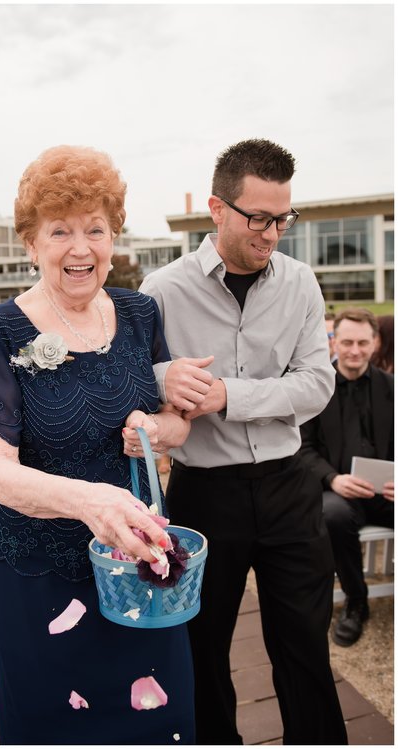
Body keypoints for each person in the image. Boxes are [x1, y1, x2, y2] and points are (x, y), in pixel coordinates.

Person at [0, 145, 194, 744]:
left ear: (114, 237)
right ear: (31, 245)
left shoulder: (142, 314)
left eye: (97, 229)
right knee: (57, 723)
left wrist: (156, 432)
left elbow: (177, 424)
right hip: (38, 566)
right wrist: (91, 503)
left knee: (156, 715)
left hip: (136, 558)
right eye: (60, 231)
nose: (81, 247)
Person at [140, 138, 346, 744]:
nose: (272, 232)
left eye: (283, 217)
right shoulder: (162, 290)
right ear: (217, 209)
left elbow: (316, 385)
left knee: (305, 649)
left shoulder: (302, 283)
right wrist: (163, 378)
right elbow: (137, 376)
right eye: (259, 217)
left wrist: (228, 395)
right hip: (204, 495)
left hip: (291, 488)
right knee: (201, 652)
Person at [299, 307, 394, 646]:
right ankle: (357, 600)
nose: (355, 350)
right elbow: (301, 447)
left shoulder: (391, 386)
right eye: (348, 341)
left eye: (363, 343)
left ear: (376, 342)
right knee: (332, 514)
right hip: (338, 491)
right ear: (334, 341)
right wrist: (333, 479)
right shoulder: (314, 386)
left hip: (387, 492)